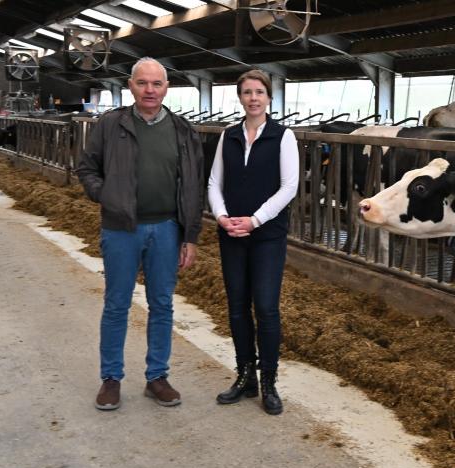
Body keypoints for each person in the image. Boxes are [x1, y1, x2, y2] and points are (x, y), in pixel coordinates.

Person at [76, 57, 205, 411]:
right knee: (117, 303)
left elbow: (193, 185)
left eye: (157, 84)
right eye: (143, 83)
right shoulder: (110, 124)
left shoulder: (182, 130)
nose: (150, 90)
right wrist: (105, 195)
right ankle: (111, 379)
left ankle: (157, 377)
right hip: (121, 228)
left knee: (161, 304)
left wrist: (190, 235)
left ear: (167, 88)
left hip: (167, 228)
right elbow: (86, 167)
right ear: (130, 86)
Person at [207, 69, 298, 415]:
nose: (253, 98)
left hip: (267, 236)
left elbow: (288, 187)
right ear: (240, 97)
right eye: (247, 92)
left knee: (266, 307)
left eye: (259, 92)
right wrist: (221, 216)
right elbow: (214, 181)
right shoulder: (228, 136)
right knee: (236, 307)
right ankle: (245, 376)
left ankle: (269, 381)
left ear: (269, 97)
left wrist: (255, 219)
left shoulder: (282, 137)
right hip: (230, 233)